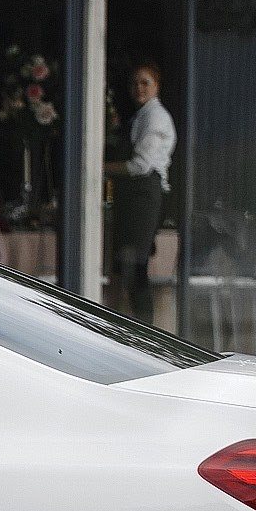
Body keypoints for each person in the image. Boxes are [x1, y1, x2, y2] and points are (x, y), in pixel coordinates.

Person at [104, 62, 176, 324]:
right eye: (134, 83)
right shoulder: (140, 116)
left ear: (157, 86)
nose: (138, 88)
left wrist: (98, 168)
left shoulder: (155, 117)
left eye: (145, 82)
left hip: (143, 197)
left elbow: (140, 165)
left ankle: (146, 331)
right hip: (130, 198)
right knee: (126, 268)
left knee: (136, 267)